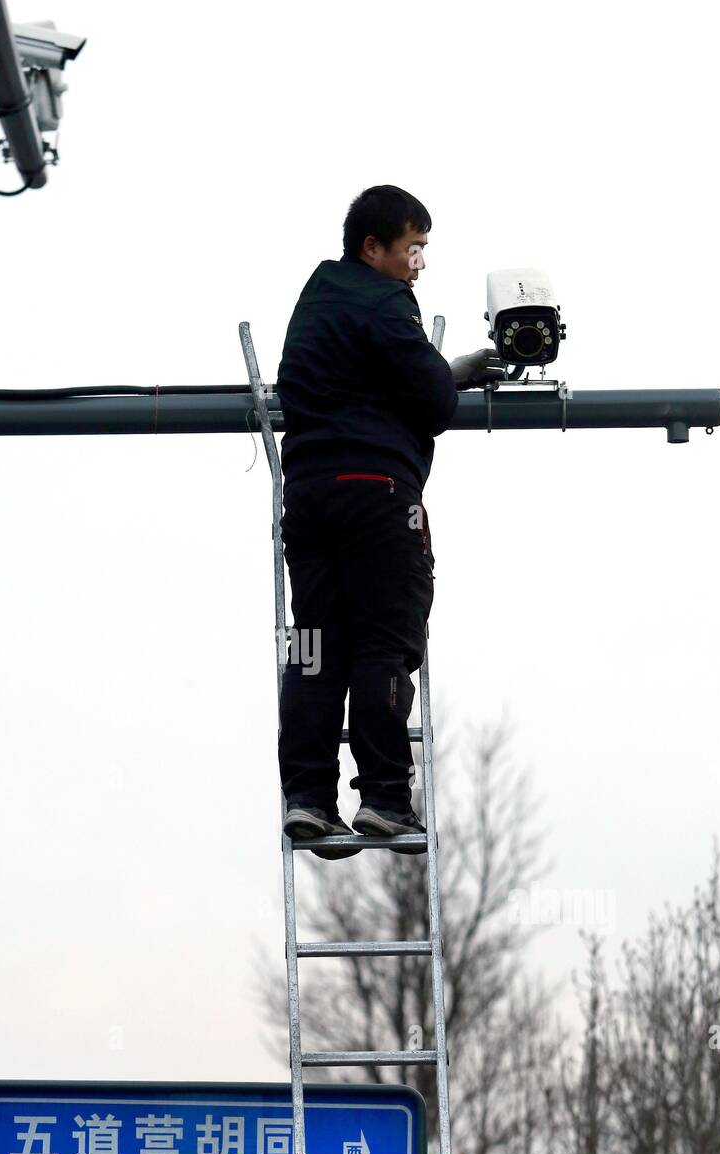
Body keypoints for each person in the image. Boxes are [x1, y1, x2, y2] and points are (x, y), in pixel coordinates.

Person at [274, 184, 505, 859]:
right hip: (376, 492)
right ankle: (383, 799)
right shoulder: (384, 302)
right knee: (383, 642)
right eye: (413, 248)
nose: (418, 263)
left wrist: (434, 373)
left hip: (309, 495)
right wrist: (447, 373)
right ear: (373, 247)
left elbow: (354, 378)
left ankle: (308, 800)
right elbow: (432, 401)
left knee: (314, 648)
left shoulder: (316, 300)